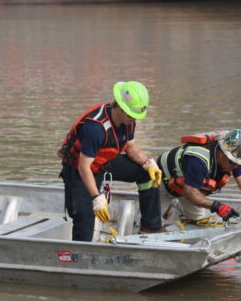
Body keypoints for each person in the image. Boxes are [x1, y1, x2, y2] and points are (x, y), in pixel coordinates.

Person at [58, 80, 164, 242]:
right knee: (85, 215)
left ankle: (150, 227)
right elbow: (83, 167)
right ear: (119, 106)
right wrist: (96, 197)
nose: (133, 119)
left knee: (147, 175)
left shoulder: (128, 121)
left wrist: (147, 163)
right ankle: (80, 251)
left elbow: (131, 148)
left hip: (104, 161)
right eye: (131, 115)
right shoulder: (96, 128)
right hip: (79, 169)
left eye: (136, 116)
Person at [155, 128, 241, 225]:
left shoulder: (234, 156)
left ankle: (175, 203)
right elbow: (190, 193)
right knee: (153, 225)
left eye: (239, 163)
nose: (236, 166)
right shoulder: (198, 161)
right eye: (233, 163)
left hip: (186, 185)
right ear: (222, 154)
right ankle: (168, 201)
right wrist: (216, 206)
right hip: (161, 180)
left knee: (197, 218)